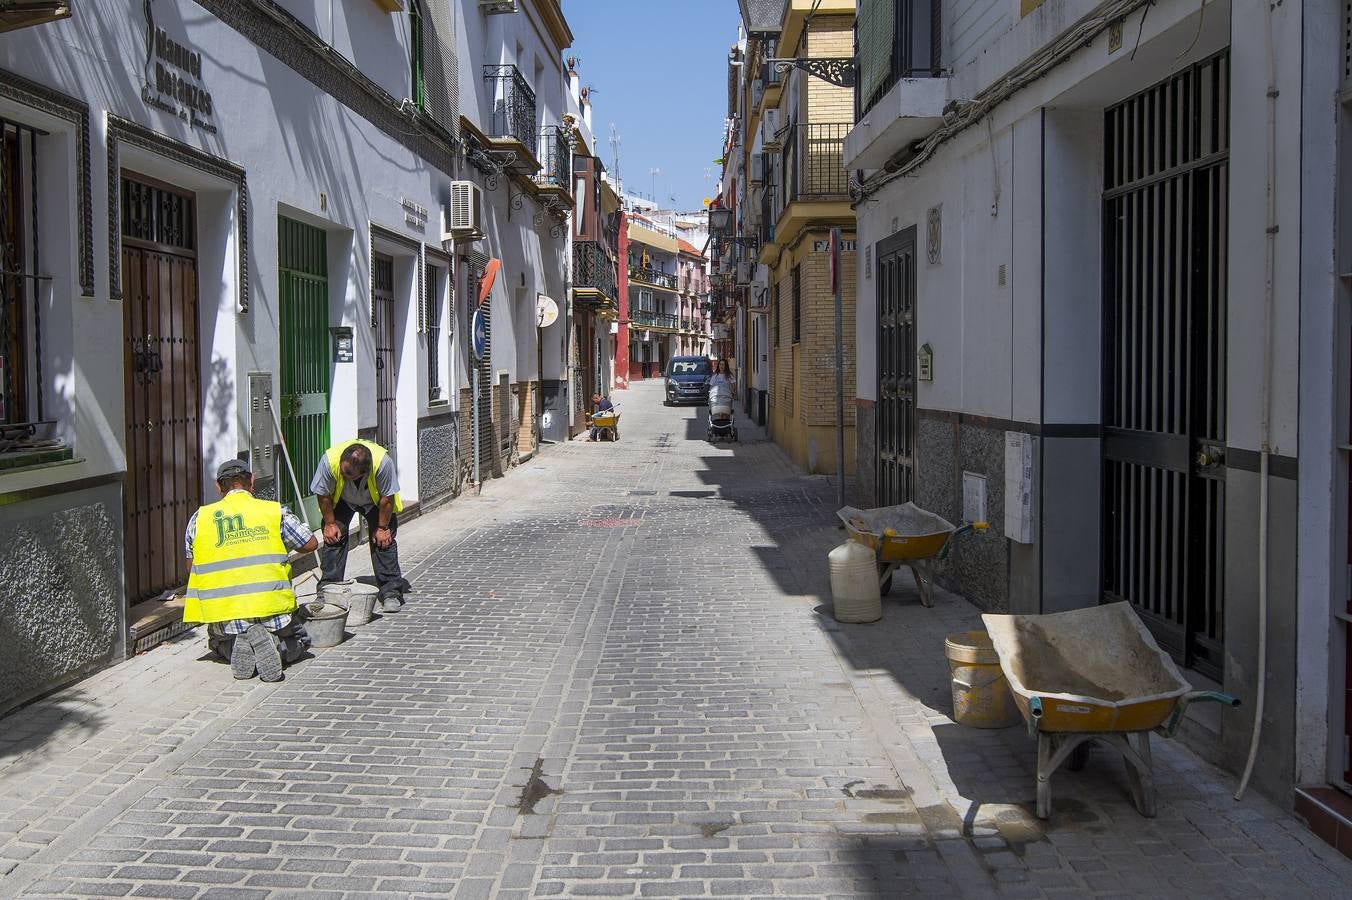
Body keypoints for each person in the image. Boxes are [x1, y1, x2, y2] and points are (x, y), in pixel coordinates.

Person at [183, 459, 318, 682]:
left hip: (225, 614)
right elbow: (310, 544)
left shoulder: (200, 518)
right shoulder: (274, 511)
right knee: (301, 640)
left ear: (219, 486)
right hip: (272, 610)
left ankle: (237, 645)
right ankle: (277, 646)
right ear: (252, 480)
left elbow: (192, 568)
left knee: (217, 644)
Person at [310, 440, 410, 613]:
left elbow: (387, 498)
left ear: (364, 472)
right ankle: (328, 589)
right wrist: (330, 523)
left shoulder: (383, 463)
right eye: (342, 469)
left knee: (383, 542)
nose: (342, 474)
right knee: (334, 537)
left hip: (375, 501)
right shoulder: (329, 461)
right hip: (343, 500)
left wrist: (383, 528)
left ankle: (391, 592)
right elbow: (323, 493)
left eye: (348, 473)